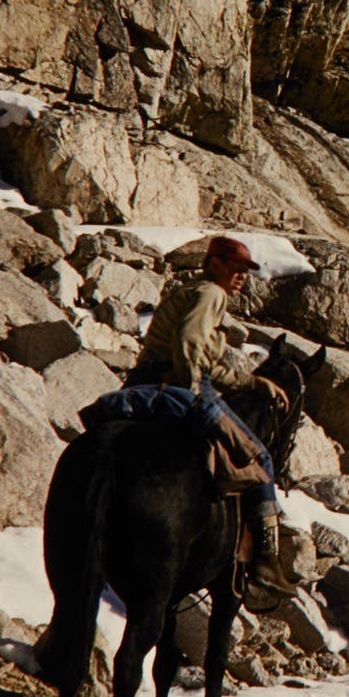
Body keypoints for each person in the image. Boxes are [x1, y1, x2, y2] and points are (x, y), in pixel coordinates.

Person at [128, 236, 287, 592]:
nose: (242, 276)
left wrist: (251, 383)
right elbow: (188, 343)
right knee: (260, 457)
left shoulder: (192, 291)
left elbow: (204, 359)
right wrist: (192, 390)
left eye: (246, 271)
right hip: (177, 384)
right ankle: (266, 559)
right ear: (214, 264)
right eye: (236, 268)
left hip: (142, 381)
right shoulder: (211, 293)